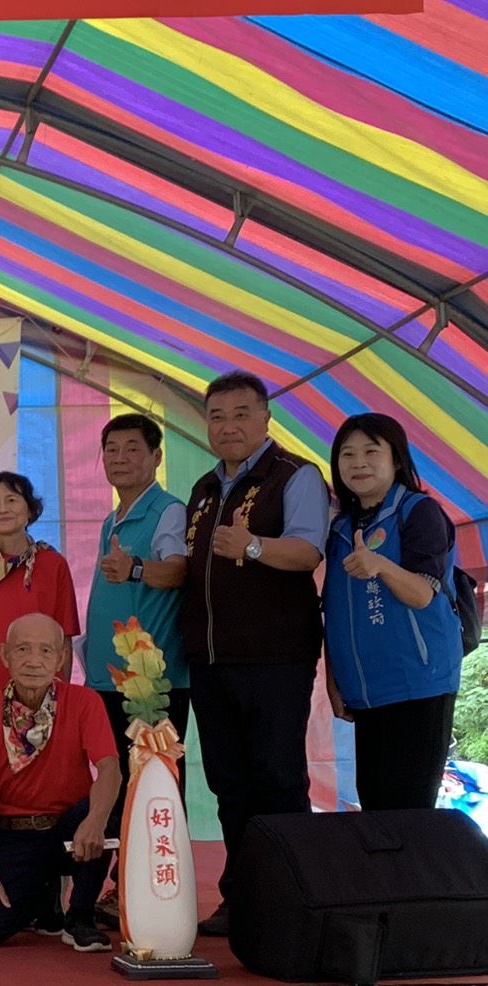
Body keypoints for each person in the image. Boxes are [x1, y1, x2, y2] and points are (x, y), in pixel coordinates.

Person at [179, 372, 327, 936]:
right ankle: (241, 896)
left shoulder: (295, 475)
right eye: (217, 416)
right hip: (211, 661)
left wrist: (254, 546)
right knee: (229, 784)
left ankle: (294, 902)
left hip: (274, 658)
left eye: (241, 414)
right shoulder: (203, 488)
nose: (228, 426)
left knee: (278, 780)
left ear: (266, 418)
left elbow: (308, 551)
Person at [324, 413, 463, 811]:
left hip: (418, 686)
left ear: (397, 459)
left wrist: (381, 566)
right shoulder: (341, 529)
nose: (358, 463)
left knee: (409, 815)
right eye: (347, 454)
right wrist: (334, 681)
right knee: (376, 810)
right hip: (366, 694)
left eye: (371, 451)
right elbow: (333, 611)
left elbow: (422, 594)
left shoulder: (419, 512)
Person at [81, 414, 188, 923]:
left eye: (132, 449)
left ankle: (151, 893)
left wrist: (138, 568)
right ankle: (122, 889)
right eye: (111, 449)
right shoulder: (115, 518)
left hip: (151, 683)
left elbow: (179, 570)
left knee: (153, 785)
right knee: (118, 783)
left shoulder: (167, 511)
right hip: (111, 677)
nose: (120, 458)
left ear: (156, 457)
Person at [0, 614, 120, 953]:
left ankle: (80, 915)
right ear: (5, 655)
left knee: (105, 810)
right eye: (22, 649)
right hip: (13, 835)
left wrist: (96, 820)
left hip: (70, 829)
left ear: (62, 658)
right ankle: (43, 894)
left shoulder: (85, 702)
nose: (34, 661)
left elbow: (109, 768)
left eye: (46, 651)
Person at [0, 472, 80, 714]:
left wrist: (63, 694)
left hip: (40, 687)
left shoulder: (53, 564)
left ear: (30, 510)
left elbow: (65, 636)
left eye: (11, 500)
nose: (2, 509)